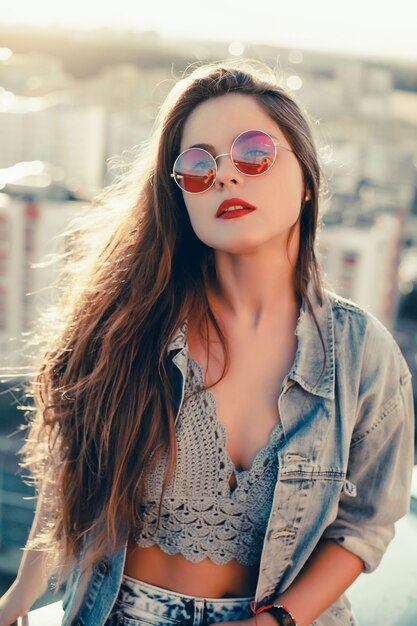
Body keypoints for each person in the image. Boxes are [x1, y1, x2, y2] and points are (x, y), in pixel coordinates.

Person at [0, 60, 414, 626]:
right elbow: (72, 469)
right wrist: (24, 589)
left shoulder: (363, 353)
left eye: (254, 154)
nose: (225, 176)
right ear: (182, 196)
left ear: (308, 177)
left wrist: (276, 622)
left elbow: (365, 522)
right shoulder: (130, 326)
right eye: (197, 166)